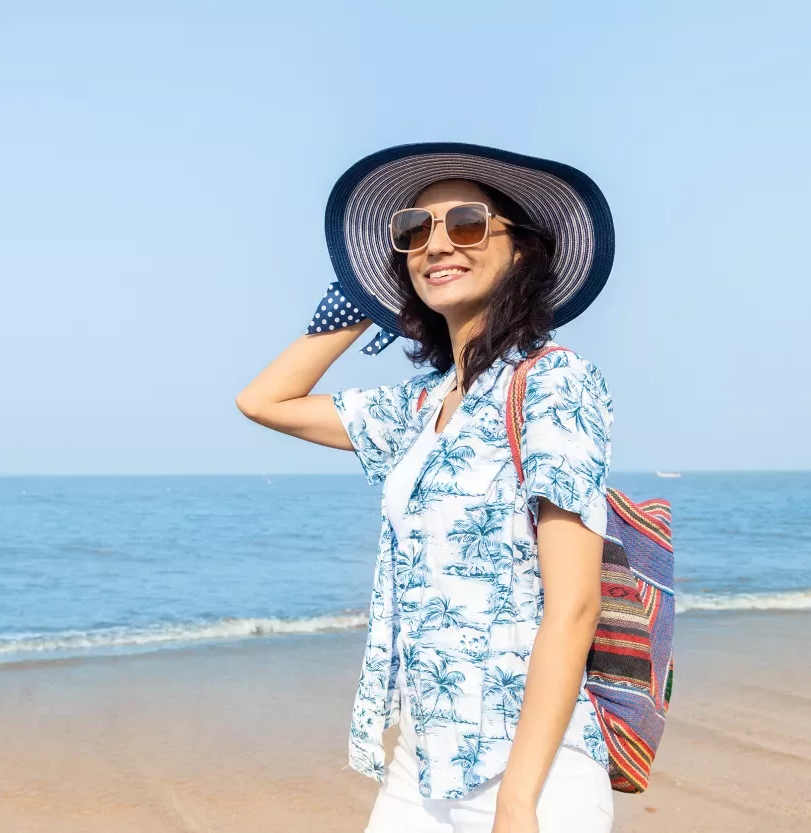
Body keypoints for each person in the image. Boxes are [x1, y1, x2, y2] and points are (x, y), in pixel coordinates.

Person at [236, 144, 618, 833]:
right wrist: (359, 300)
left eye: (467, 223)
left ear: (524, 250)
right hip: (419, 768)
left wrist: (518, 801)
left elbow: (575, 605)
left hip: (536, 770)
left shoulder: (553, 382)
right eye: (415, 231)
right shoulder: (417, 408)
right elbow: (265, 400)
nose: (436, 243)